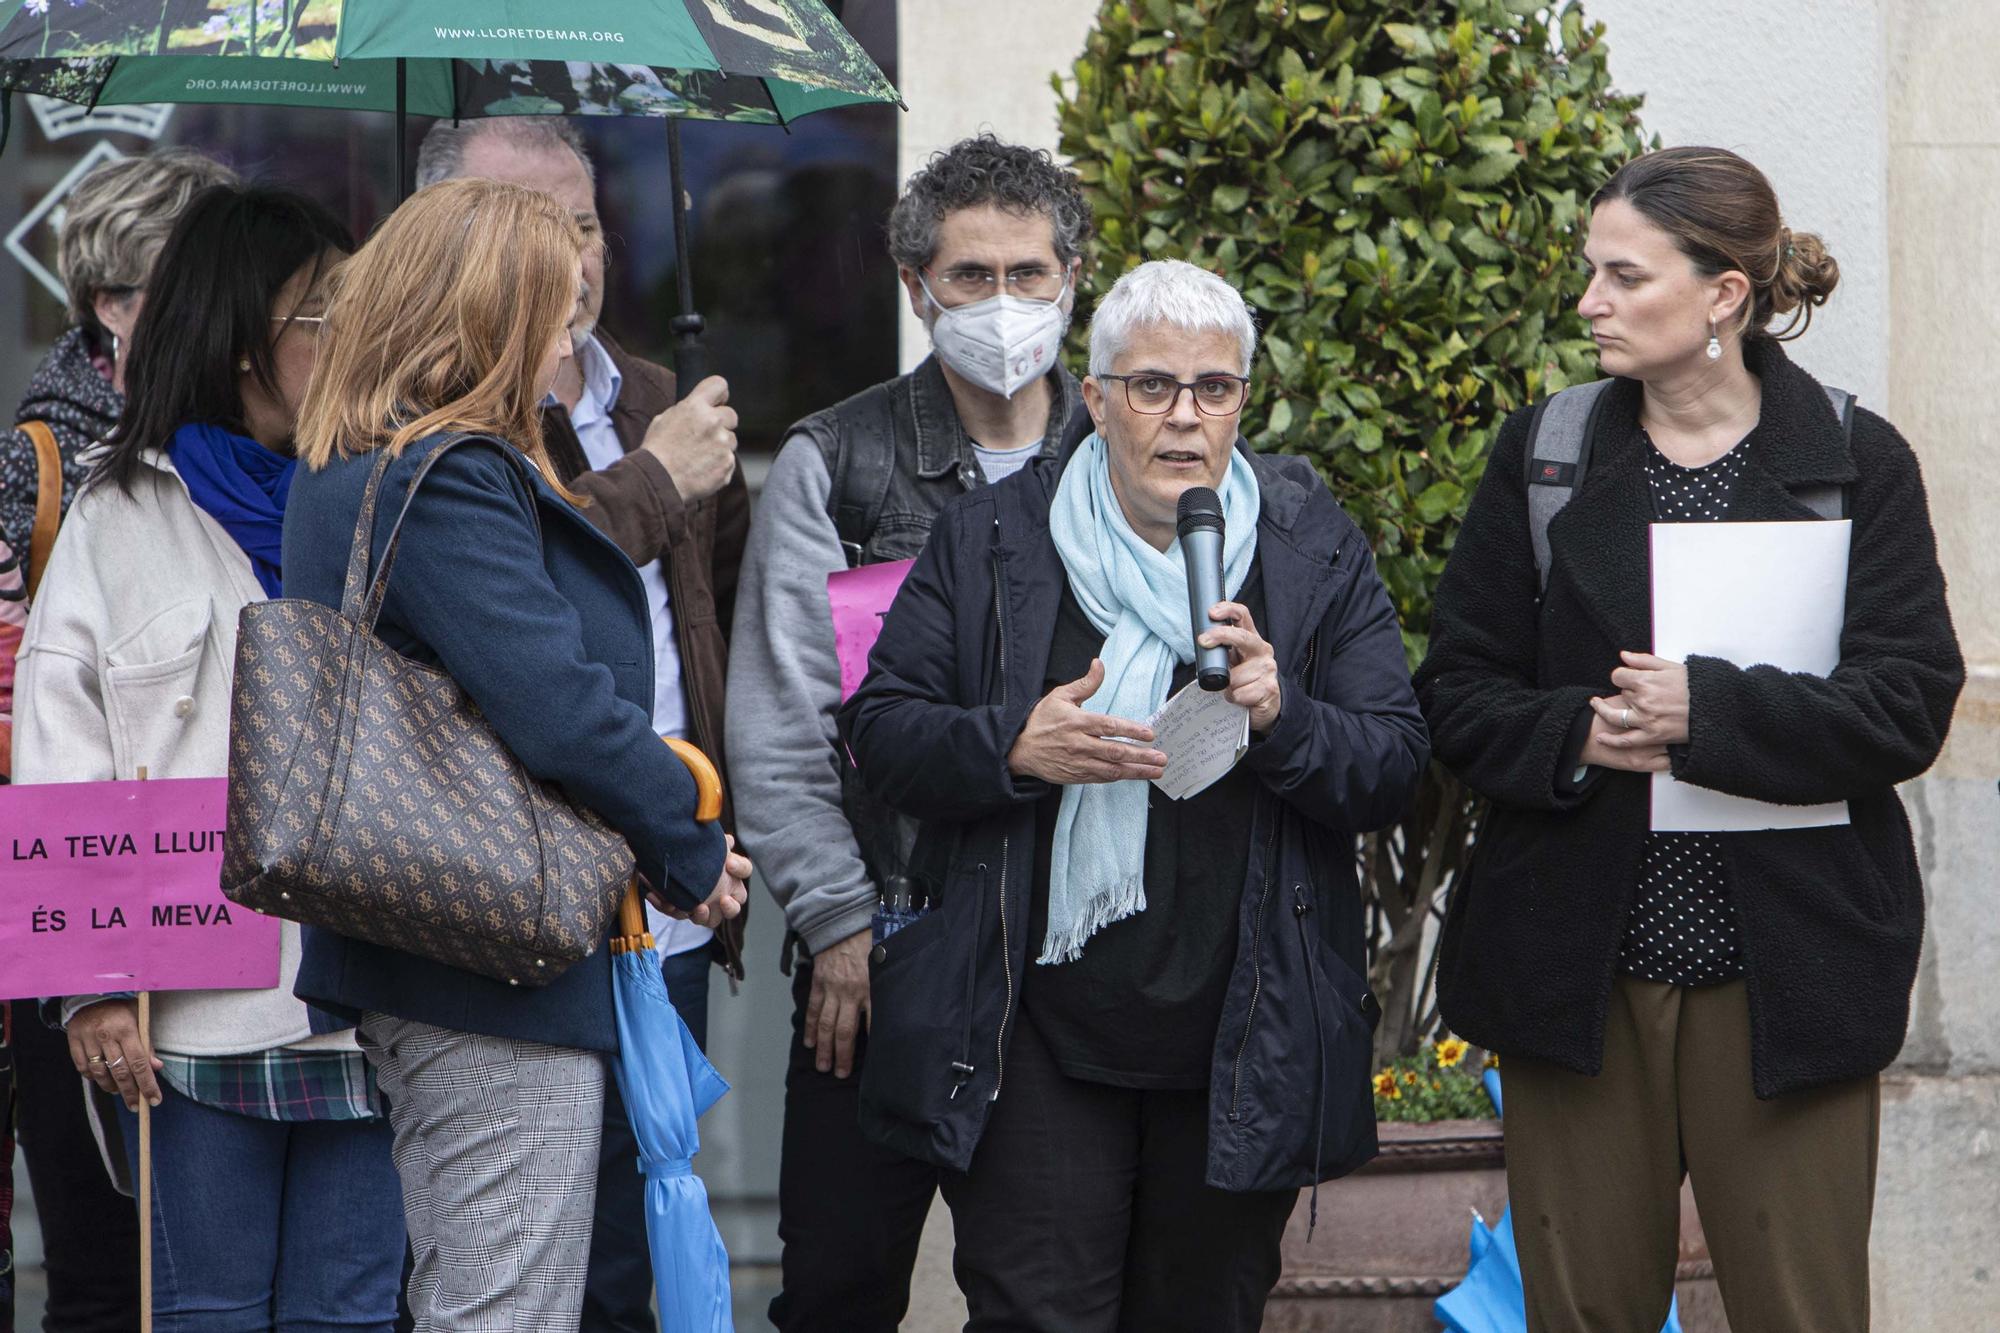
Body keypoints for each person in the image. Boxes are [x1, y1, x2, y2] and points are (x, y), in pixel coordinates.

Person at [1414, 147, 1964, 1332]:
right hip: (1577, 962)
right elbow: (1454, 691)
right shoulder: (1546, 454)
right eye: (1589, 273)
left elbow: (1909, 699)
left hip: (1787, 966)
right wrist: (1578, 736)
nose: (1588, 303)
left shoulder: (1852, 460)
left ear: (1723, 294)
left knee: (1801, 1311)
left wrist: (1703, 715)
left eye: (1622, 275)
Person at [839, 260, 1429, 1331]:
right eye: (1151, 386)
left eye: (1214, 389)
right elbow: (880, 734)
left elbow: (1392, 761)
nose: (1183, 418)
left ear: (1243, 402)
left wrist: (1279, 717)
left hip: (1238, 1035)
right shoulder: (995, 540)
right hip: (1032, 1028)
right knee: (1034, 1313)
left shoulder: (1306, 551)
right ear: (1097, 398)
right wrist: (1012, 748)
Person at [283, 177, 751, 1333]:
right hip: (486, 962)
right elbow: (561, 710)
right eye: (554, 307)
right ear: (486, 318)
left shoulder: (372, 464)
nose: (569, 335)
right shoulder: (443, 476)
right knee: (506, 1307)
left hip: (447, 950)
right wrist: (685, 841)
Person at [10, 182, 410, 1331]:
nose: (349, 338)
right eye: (323, 314)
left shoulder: (394, 500)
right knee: (208, 1315)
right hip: (190, 1027)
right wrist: (90, 989)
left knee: (352, 1315)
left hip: (374, 1001)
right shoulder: (119, 515)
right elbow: (59, 750)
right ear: (244, 343)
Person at [726, 133, 1091, 1330]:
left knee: (1040, 1292)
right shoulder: (838, 461)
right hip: (880, 951)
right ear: (914, 287)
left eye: (1027, 275)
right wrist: (836, 923)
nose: (1001, 304)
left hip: (1069, 954)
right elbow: (784, 728)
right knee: (837, 1285)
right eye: (970, 276)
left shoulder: (1117, 449)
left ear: (1072, 280)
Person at [412, 117, 748, 1332]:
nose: (577, 255)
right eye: (537, 224)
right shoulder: (437, 432)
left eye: (589, 222)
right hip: (519, 889)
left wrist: (702, 831)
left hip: (665, 888)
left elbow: (706, 618)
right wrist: (655, 480)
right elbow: (528, 626)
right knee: (521, 1257)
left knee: (639, 1219)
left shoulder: (658, 397)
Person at [0, 147, 232, 1333]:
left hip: (224, 911)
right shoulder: (40, 469)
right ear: (113, 303)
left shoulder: (248, 452)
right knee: (102, 1263)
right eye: (191, 284)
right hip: (73, 898)